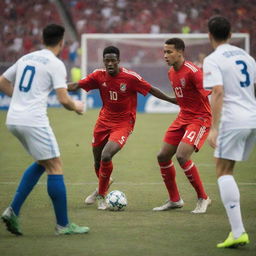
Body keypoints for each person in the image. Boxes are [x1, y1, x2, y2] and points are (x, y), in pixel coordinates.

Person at [0, 24, 89, 235]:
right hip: (33, 121)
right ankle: (63, 225)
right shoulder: (55, 63)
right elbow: (63, 98)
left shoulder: (27, 58)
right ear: (62, 42)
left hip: (13, 119)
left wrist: (20, 100)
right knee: (55, 165)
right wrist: (76, 107)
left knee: (43, 162)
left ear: (43, 38)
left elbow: (2, 81)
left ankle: (12, 211)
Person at [68, 45, 176, 210]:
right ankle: (104, 184)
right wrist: (55, 88)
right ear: (103, 61)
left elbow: (151, 89)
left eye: (113, 60)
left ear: (118, 61)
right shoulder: (98, 76)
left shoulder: (130, 78)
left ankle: (102, 197)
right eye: (107, 60)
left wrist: (171, 99)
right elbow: (76, 85)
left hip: (123, 124)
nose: (110, 63)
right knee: (97, 162)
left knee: (106, 155)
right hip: (103, 122)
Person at [203, 16, 256, 248]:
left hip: (233, 120)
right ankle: (237, 231)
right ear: (231, 34)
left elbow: (217, 91)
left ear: (209, 35)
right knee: (230, 169)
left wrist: (214, 127)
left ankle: (237, 232)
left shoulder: (213, 59)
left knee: (223, 171)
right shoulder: (248, 57)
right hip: (252, 117)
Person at [153, 38, 211, 213]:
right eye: (164, 52)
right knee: (162, 156)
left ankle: (203, 198)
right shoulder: (171, 72)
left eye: (169, 52)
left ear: (180, 52)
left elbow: (211, 93)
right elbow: (182, 98)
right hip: (183, 117)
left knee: (182, 156)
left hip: (199, 118)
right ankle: (175, 200)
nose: (165, 55)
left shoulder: (194, 72)